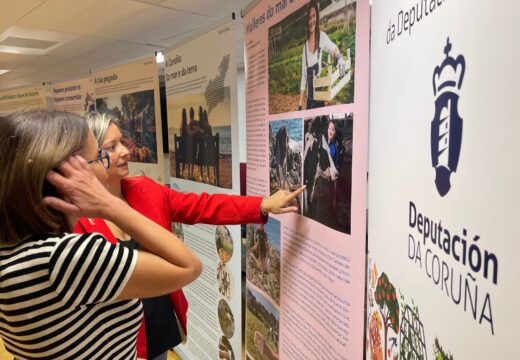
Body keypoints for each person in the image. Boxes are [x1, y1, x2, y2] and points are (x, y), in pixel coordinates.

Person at [76, 112, 304, 360]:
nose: (125, 151)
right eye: (112, 147)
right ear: (90, 157)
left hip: (159, 327)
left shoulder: (146, 191)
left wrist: (261, 204)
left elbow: (203, 206)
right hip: (115, 343)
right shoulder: (75, 220)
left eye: (123, 142)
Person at [0, 110, 201, 360]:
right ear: (67, 176)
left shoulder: (15, 248)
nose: (104, 165)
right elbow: (188, 266)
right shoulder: (64, 257)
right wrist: (110, 205)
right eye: (97, 157)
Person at [298, 0, 347, 110]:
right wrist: (300, 104)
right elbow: (303, 77)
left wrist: (340, 58)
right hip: (309, 102)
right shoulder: (304, 47)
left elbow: (333, 49)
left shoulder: (322, 37)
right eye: (309, 18)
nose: (312, 20)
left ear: (317, 17)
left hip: (320, 99)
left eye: (314, 16)